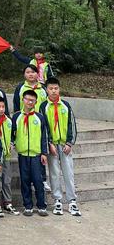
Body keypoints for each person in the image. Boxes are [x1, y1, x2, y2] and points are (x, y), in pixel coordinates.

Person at [39, 77, 81, 216]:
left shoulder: (66, 105)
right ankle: (57, 200)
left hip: (64, 145)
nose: (53, 91)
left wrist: (70, 143)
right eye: (50, 88)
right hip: (52, 146)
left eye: (56, 88)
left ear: (59, 89)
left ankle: (72, 201)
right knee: (54, 172)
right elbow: (44, 127)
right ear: (46, 90)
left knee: (68, 172)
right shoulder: (43, 106)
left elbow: (71, 125)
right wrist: (49, 143)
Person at [11, 89, 49, 217]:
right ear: (23, 100)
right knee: (25, 180)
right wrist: (12, 143)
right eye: (27, 99)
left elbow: (44, 136)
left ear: (36, 102)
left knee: (38, 180)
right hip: (22, 155)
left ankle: (42, 206)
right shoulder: (16, 116)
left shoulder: (40, 117)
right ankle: (27, 206)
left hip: (36, 155)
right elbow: (12, 133)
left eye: (32, 100)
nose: (29, 102)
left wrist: (44, 153)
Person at [0, 96, 19, 216]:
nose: (1, 109)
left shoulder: (9, 120)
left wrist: (12, 143)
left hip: (6, 155)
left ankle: (8, 202)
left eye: (3, 107)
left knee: (7, 179)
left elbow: (14, 134)